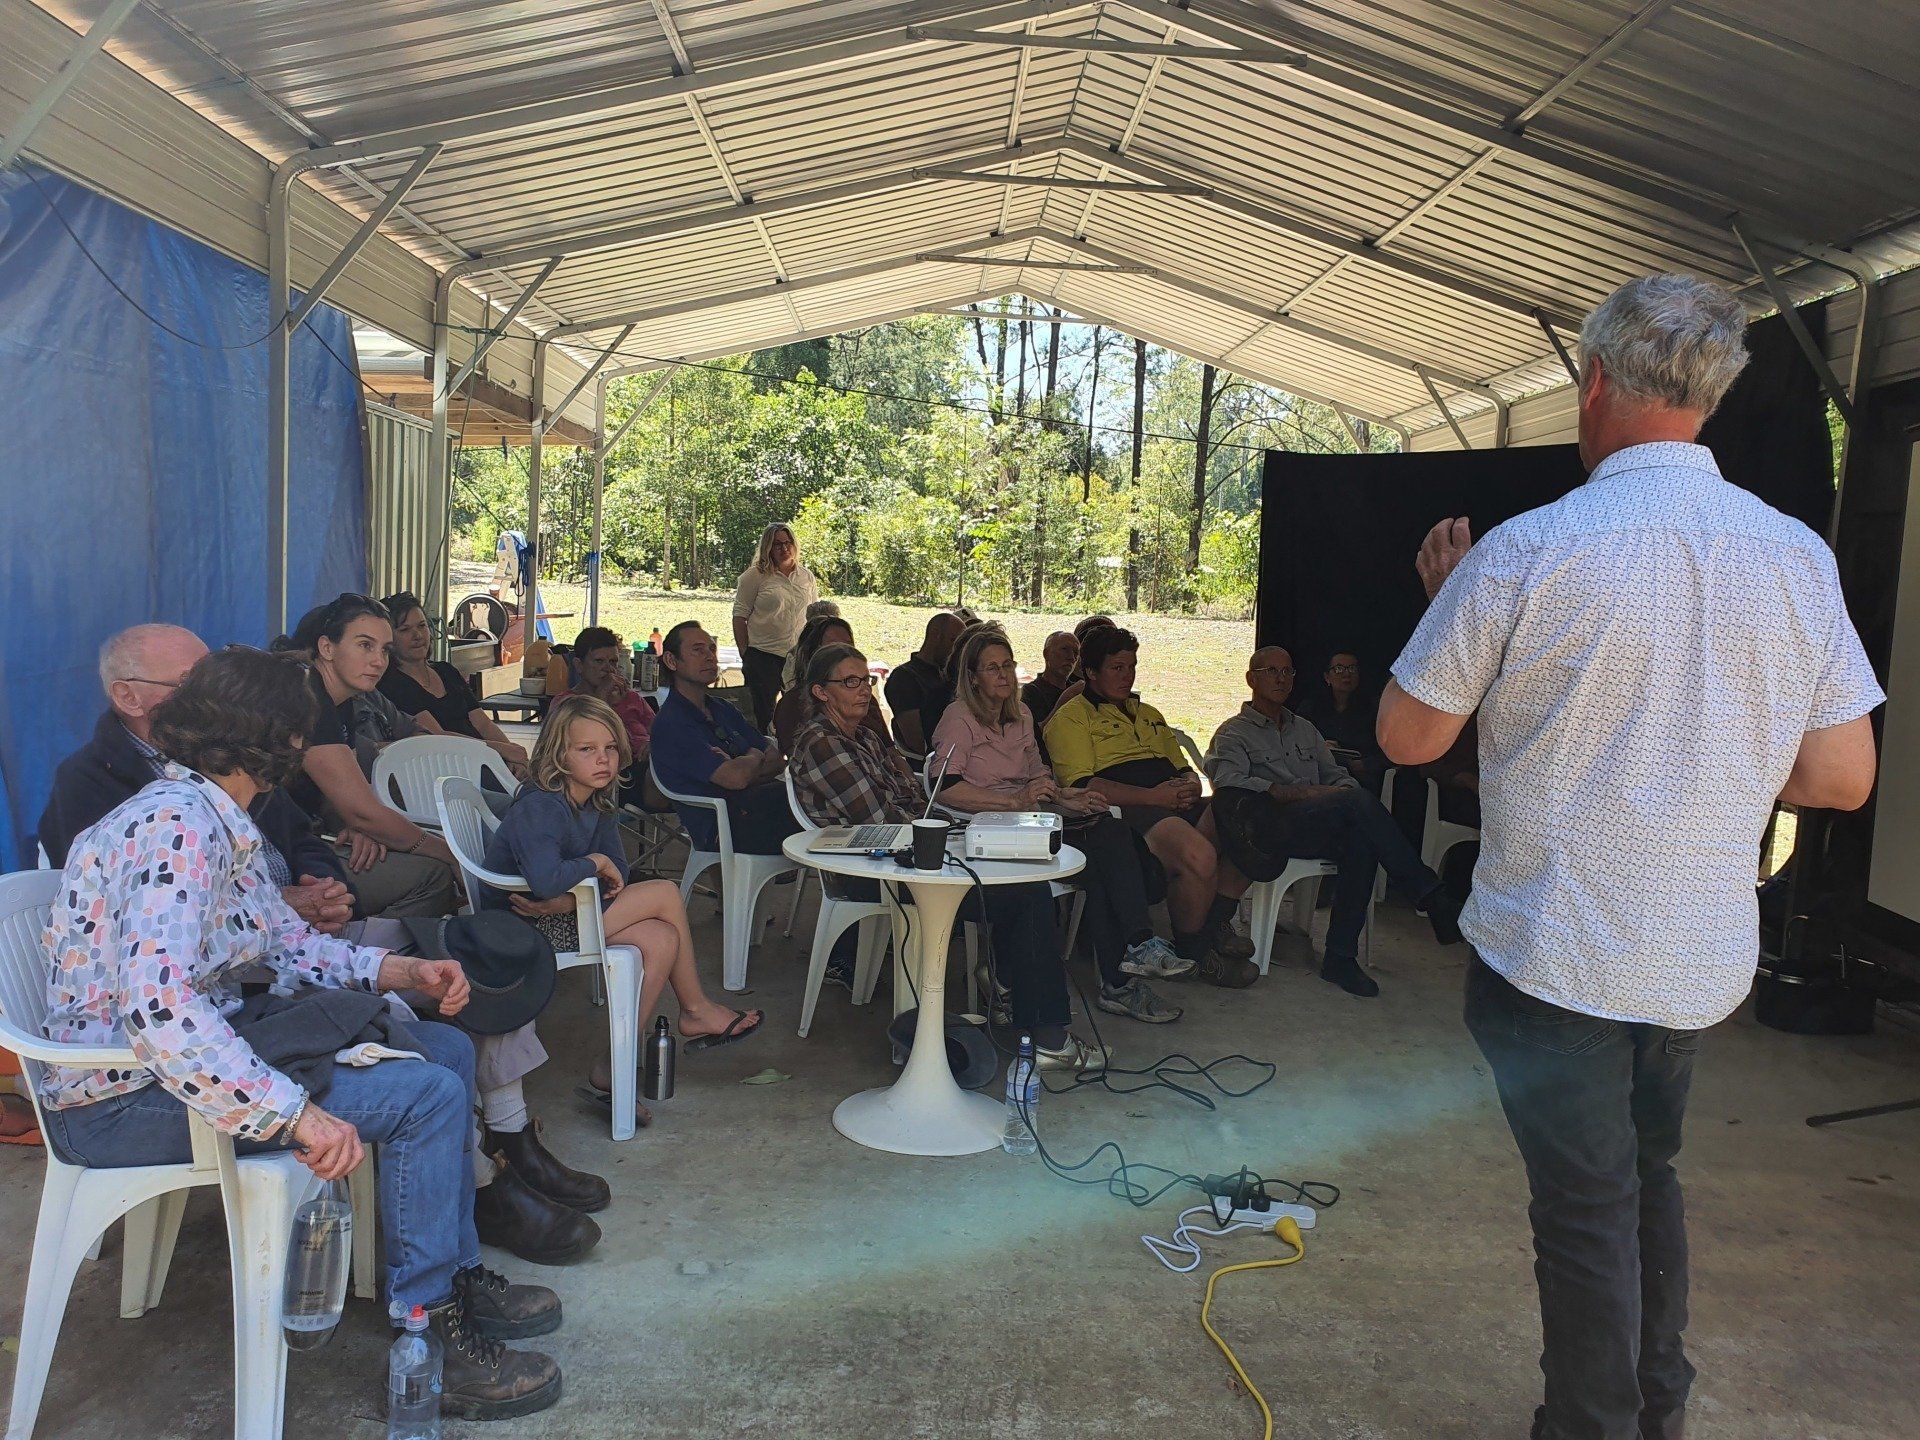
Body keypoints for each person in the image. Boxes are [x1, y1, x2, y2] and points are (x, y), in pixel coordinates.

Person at [1378, 273, 1882, 1440]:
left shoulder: (1525, 551)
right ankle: (1662, 1407)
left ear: (1595, 381)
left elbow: (1411, 736)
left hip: (1554, 949)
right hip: (1697, 957)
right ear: (1709, 395)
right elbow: (1842, 780)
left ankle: (1596, 1425)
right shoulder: (1795, 555)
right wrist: (1719, 761)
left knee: (1587, 1208)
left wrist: (1449, 607)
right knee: (1649, 1179)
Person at [37, 647, 565, 1420]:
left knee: (445, 1047)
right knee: (424, 1093)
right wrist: (291, 1111)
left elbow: (285, 945)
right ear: (281, 741)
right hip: (120, 1101)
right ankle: (426, 1337)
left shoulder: (212, 814)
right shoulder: (178, 829)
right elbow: (159, 1010)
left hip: (169, 1068)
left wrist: (402, 974)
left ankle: (448, 1280)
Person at [791, 643, 1106, 1072]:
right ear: (820, 692)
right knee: (1025, 896)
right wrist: (946, 827)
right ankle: (1046, 1033)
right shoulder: (820, 742)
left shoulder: (864, 736)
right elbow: (882, 817)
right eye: (849, 682)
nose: (863, 690)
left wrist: (952, 827)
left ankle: (1014, 998)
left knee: (1022, 884)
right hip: (871, 871)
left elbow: (915, 798)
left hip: (909, 857)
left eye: (865, 680)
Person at [484, 695, 763, 1127]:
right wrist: (591, 866)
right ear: (558, 754)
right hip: (523, 928)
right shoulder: (542, 805)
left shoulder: (594, 803)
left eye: (610, 748)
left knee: (661, 938)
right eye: (587, 749)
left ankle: (612, 1066)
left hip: (560, 914)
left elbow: (620, 878)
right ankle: (695, 1009)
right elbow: (544, 881)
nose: (603, 760)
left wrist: (573, 891)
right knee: (666, 892)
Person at [933, 629, 1189, 1024]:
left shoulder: (1021, 715)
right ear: (972, 678)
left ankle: (1135, 951)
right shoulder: (959, 719)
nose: (1004, 675)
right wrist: (1015, 801)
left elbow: (1037, 772)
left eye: (1008, 665)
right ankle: (1117, 980)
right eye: (992, 668)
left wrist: (1063, 796)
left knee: (1109, 834)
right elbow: (944, 787)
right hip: (986, 826)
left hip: (1035, 819)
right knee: (1103, 853)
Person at [1204, 646, 1461, 998]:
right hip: (1269, 826)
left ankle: (1340, 958)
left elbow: (1338, 777)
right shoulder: (1234, 733)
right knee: (1356, 807)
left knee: (1361, 837)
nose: (1281, 678)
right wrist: (1288, 792)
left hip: (1317, 824)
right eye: (1271, 671)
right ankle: (1429, 894)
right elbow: (1227, 782)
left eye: (1288, 671)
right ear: (1252, 679)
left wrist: (1333, 793)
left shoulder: (1304, 729)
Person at [1042, 625, 1256, 985]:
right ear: (1090, 672)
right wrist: (1156, 797)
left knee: (1249, 828)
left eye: (1132, 666)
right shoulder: (1072, 718)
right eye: (1117, 668)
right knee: (1199, 856)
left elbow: (1184, 768)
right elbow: (1083, 786)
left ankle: (1213, 925)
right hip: (1127, 807)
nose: (1127, 676)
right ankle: (1196, 953)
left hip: (1171, 797)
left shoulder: (1149, 712)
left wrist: (1187, 786)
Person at [282, 595, 462, 918]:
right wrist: (451, 854)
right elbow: (363, 811)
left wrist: (355, 824)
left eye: (385, 650)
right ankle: (362, 960)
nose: (379, 661)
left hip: (303, 838)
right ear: (326, 648)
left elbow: (349, 797)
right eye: (365, 645)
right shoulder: (306, 695)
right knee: (435, 873)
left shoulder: (344, 699)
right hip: (269, 856)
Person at [650, 621, 797, 858]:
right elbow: (736, 777)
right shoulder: (673, 723)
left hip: (755, 810)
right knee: (820, 815)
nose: (709, 657)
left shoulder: (722, 709)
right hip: (721, 827)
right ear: (671, 661)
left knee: (818, 809)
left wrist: (743, 765)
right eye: (698, 650)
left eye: (712, 649)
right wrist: (753, 755)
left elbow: (778, 760)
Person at [377, 592, 531, 780]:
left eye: (422, 626)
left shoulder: (446, 671)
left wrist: (515, 758)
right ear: (388, 640)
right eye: (404, 630)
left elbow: (482, 722)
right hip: (449, 771)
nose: (417, 635)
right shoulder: (392, 683)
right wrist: (502, 750)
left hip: (486, 759)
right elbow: (438, 737)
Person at [550, 625, 654, 802]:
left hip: (648, 764)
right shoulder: (567, 703)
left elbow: (662, 729)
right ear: (579, 665)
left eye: (613, 662)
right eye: (599, 661)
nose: (608, 669)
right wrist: (601, 698)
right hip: (610, 775)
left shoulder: (631, 698)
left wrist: (654, 743)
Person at [732, 522, 818, 730]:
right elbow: (739, 616)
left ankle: (796, 754)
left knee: (799, 712)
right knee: (763, 715)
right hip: (763, 656)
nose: (784, 548)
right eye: (777, 544)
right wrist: (747, 654)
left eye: (788, 543)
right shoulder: (754, 576)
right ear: (767, 548)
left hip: (796, 656)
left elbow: (814, 615)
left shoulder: (806, 577)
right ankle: (766, 757)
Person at [773, 614, 887, 753]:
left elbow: (891, 751)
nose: (842, 651)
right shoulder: (792, 705)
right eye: (832, 646)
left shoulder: (863, 696)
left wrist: (903, 772)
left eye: (847, 645)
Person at [1296, 650, 1386, 792]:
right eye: (1338, 669)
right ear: (1327, 677)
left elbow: (1388, 752)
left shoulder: (1374, 708)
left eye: (1352, 668)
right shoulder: (1311, 708)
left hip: (1362, 778)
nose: (1346, 674)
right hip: (1320, 775)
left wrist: (1366, 765)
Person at [884, 611, 965, 754]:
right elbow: (917, 744)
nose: (958, 651)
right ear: (936, 635)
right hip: (936, 761)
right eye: (954, 641)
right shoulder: (904, 678)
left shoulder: (952, 674)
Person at [1021, 630, 1079, 729]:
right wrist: (1065, 700)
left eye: (1076, 652)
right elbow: (1035, 733)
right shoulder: (1032, 691)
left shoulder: (1079, 689)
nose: (1071, 657)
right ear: (1046, 654)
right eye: (1065, 649)